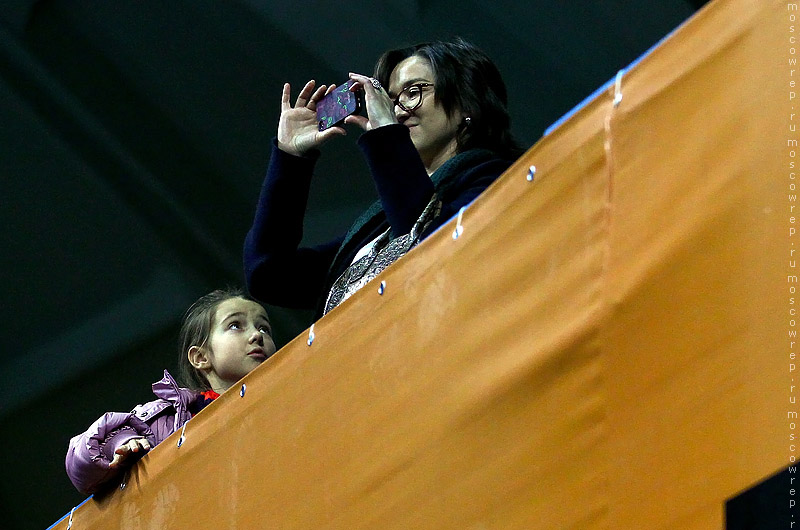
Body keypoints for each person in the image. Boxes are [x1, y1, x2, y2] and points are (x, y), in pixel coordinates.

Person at [244, 37, 523, 319]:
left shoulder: (499, 178)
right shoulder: (375, 228)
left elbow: (431, 245)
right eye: (389, 101)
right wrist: (290, 159)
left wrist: (387, 137)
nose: (398, 111)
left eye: (412, 92)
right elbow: (269, 276)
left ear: (467, 103)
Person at [65, 288, 276, 495]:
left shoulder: (289, 402)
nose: (257, 335)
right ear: (201, 358)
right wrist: (120, 444)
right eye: (235, 325)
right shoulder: (169, 419)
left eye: (264, 328)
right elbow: (80, 461)